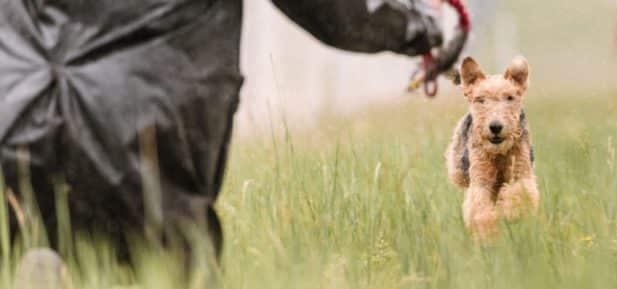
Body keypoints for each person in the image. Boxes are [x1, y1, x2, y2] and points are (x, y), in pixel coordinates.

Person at [0, 0, 449, 273]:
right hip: (142, 135)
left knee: (52, 242)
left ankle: (53, 272)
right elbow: (335, 10)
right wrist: (422, 27)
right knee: (171, 266)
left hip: (16, 125)